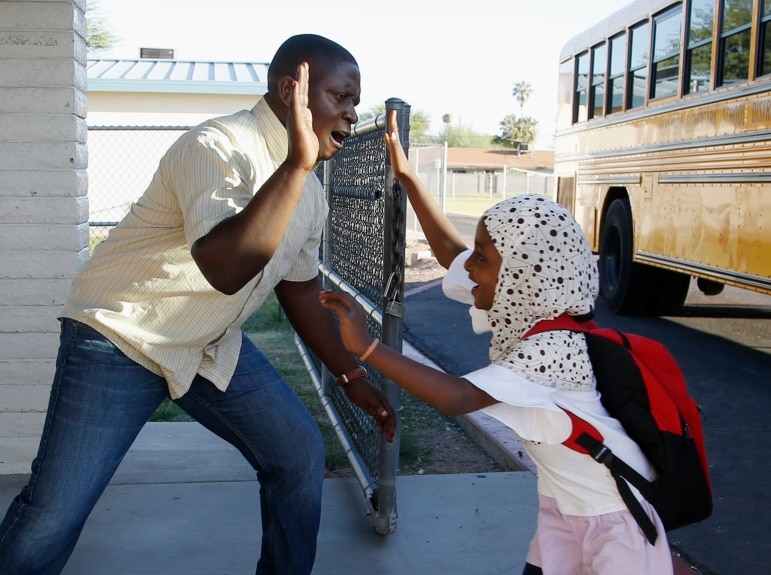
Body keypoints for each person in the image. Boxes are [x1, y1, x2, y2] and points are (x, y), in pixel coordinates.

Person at [0, 34, 395, 575]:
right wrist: (296, 168)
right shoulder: (216, 147)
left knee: (296, 453)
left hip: (206, 344)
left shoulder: (310, 192)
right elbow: (224, 267)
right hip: (121, 336)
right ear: (292, 91)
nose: (352, 115)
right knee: (54, 511)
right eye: (341, 97)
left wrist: (351, 375)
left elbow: (299, 290)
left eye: (355, 102)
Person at [318, 112, 674, 574]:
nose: (470, 268)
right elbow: (453, 255)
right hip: (564, 507)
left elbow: (456, 397)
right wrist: (408, 178)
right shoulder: (524, 302)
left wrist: (367, 348)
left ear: (522, 275)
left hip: (616, 517)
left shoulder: (554, 345)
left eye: (482, 258)